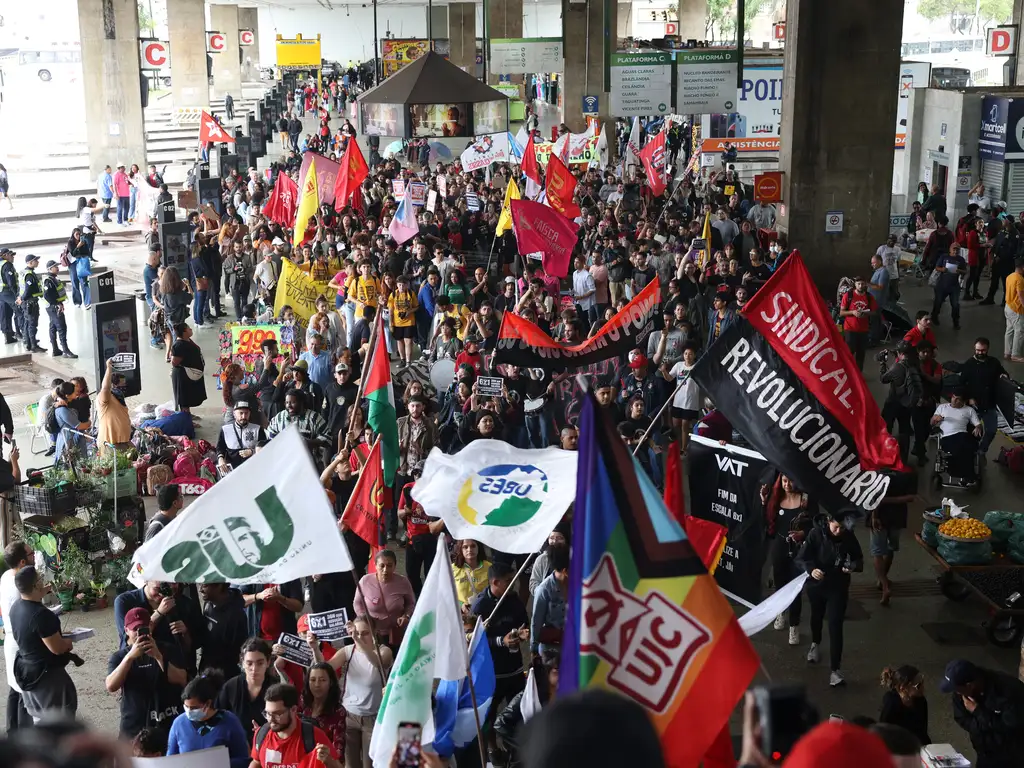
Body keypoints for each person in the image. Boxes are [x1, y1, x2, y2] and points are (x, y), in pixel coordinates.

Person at [795, 509, 864, 687]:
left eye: (842, 528)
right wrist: (811, 569)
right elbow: (802, 557)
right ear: (828, 521)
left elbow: (858, 558)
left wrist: (852, 566)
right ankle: (815, 643)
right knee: (816, 615)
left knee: (835, 624)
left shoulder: (848, 535)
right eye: (835, 527)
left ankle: (835, 670)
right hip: (817, 585)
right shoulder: (815, 533)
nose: (838, 531)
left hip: (838, 586)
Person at [471, 562, 529, 763]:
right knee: (488, 715)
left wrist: (522, 633)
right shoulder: (480, 606)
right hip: (491, 673)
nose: (513, 584)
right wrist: (500, 641)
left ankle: (515, 750)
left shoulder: (514, 600)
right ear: (495, 582)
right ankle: (492, 750)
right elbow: (472, 640)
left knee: (520, 712)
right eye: (508, 581)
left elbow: (524, 621)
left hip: (514, 669)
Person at [8, 565, 79, 722]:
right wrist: (68, 642)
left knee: (38, 718)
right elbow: (57, 648)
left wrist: (50, 588)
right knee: (58, 721)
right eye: (40, 579)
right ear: (35, 585)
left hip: (27, 671)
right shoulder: (42, 615)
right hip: (47, 677)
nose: (43, 581)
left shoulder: (16, 608)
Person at [105, 606, 187, 737]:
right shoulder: (119, 657)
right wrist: (129, 657)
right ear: (126, 630)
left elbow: (182, 679)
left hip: (167, 721)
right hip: (134, 726)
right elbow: (111, 686)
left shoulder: (168, 649)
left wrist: (158, 656)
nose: (139, 633)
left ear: (150, 626)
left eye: (143, 628)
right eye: (135, 629)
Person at [324, 615, 392, 768]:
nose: (360, 636)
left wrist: (358, 640)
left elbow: (377, 662)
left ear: (375, 632)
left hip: (372, 717)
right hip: (349, 716)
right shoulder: (348, 651)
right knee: (350, 764)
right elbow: (326, 669)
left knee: (370, 764)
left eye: (365, 633)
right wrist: (315, 648)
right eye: (357, 633)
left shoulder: (384, 651)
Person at [760, 474, 816, 646]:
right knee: (780, 584)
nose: (788, 484)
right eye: (784, 481)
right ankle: (780, 613)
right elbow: (765, 521)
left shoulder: (806, 500)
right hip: (780, 547)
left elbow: (816, 525)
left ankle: (794, 625)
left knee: (796, 588)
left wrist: (803, 534)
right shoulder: (775, 498)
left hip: (799, 552)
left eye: (791, 480)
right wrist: (763, 502)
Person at [942, 658, 1024, 767]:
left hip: (1012, 755)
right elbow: (962, 719)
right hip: (984, 752)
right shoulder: (961, 693)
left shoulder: (1009, 691)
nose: (956, 693)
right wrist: (984, 724)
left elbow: (1010, 727)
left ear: (970, 685)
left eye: (957, 689)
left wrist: (978, 711)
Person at [167, 671, 250, 768]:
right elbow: (170, 759)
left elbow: (243, 760)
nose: (189, 711)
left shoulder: (230, 721)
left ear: (208, 703)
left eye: (194, 708)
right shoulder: (179, 723)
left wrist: (218, 764)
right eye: (186, 706)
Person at [250, 683, 341, 768]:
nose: (271, 719)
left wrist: (329, 761)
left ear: (293, 710)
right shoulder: (261, 734)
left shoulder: (314, 736)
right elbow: (257, 762)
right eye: (268, 713)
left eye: (277, 714)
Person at [216, 638, 279, 746]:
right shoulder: (231, 687)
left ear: (268, 662)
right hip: (236, 746)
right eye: (249, 663)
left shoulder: (277, 688)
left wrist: (263, 733)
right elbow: (218, 720)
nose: (254, 669)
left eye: (260, 663)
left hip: (269, 745)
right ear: (242, 663)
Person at [353, 549, 416, 650]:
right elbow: (357, 603)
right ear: (375, 565)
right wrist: (365, 620)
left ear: (395, 566)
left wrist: (406, 616)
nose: (385, 570)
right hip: (373, 633)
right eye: (382, 565)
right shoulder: (365, 581)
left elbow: (411, 603)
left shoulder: (403, 582)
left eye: (389, 565)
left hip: (396, 632)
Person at [959, 337, 1009, 457]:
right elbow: (962, 383)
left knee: (991, 430)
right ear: (974, 349)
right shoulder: (969, 364)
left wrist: (1004, 375)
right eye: (978, 350)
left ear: (988, 349)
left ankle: (982, 450)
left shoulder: (994, 362)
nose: (980, 353)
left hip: (990, 403)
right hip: (974, 404)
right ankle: (971, 450)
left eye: (983, 350)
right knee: (972, 430)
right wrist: (969, 398)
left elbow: (1003, 373)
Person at [2, 540, 33, 730]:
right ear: (22, 562)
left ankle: (11, 731)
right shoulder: (19, 587)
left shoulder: (6, 576)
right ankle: (24, 741)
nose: (34, 556)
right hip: (21, 642)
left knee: (14, 688)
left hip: (10, 640)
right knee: (24, 692)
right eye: (30, 555)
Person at [931, 388, 983, 484]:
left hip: (962, 435)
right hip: (947, 437)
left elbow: (977, 424)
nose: (954, 400)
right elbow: (932, 423)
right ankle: (967, 476)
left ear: (963, 401)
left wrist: (978, 427)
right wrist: (935, 420)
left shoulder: (969, 410)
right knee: (963, 447)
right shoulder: (942, 407)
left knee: (968, 446)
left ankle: (964, 475)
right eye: (953, 397)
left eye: (958, 399)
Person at [302, 662, 346, 759]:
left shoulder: (338, 711)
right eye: (313, 680)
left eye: (322, 680)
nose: (317, 685)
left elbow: (338, 751)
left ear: (330, 682)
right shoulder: (302, 704)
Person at [531, 545, 569, 658]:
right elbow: (536, 622)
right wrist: (534, 650)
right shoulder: (544, 589)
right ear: (565, 571)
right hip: (551, 648)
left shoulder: (576, 585)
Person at [879, 664, 931, 747]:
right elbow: (883, 732)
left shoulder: (921, 701)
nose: (923, 688)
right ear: (903, 688)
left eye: (922, 683)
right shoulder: (891, 704)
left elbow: (922, 731)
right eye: (918, 686)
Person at [217, 401, 268, 471]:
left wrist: (252, 451)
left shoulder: (258, 429)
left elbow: (265, 448)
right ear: (234, 414)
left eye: (246, 413)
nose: (244, 416)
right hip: (232, 469)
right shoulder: (225, 429)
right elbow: (220, 447)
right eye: (241, 413)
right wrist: (220, 459)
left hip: (253, 468)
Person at [839, 276, 876, 370]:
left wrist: (866, 314)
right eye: (858, 284)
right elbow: (842, 312)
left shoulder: (869, 297)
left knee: (861, 354)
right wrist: (853, 312)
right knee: (849, 353)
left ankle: (859, 375)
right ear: (855, 285)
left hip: (863, 330)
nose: (860, 286)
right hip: (850, 329)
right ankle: (848, 373)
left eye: (862, 284)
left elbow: (874, 312)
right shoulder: (848, 296)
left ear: (865, 285)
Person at [170, 323, 207, 415]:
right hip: (183, 376)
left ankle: (187, 416)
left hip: (189, 374)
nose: (191, 330)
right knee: (184, 400)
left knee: (188, 397)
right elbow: (174, 362)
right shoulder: (178, 346)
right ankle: (186, 420)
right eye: (189, 329)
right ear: (184, 331)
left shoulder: (187, 341)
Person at [96, 356, 132, 451]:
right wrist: (109, 368)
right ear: (112, 385)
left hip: (123, 441)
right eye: (121, 384)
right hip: (110, 443)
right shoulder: (104, 398)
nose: (124, 387)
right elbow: (105, 388)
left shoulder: (119, 397)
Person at [41, 259, 76, 358]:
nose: (57, 268)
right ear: (49, 269)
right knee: (61, 327)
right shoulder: (49, 280)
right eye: (55, 267)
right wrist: (57, 304)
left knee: (53, 327)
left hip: (54, 306)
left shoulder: (53, 278)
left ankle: (56, 349)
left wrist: (59, 302)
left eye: (57, 266)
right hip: (53, 307)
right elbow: (47, 295)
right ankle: (65, 350)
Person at [20, 254, 45, 353]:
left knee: (27, 323)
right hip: (30, 303)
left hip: (26, 302)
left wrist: (21, 298)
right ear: (30, 262)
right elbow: (28, 290)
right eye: (36, 260)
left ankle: (28, 344)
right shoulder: (29, 275)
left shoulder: (25, 272)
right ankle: (33, 345)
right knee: (32, 324)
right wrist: (22, 298)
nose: (37, 262)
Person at [1004, 257, 1024, 362]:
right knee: (1019, 331)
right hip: (1016, 309)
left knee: (1009, 330)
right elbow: (1021, 295)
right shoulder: (1020, 279)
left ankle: (1007, 352)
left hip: (1008, 306)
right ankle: (1015, 354)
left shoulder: (1010, 276)